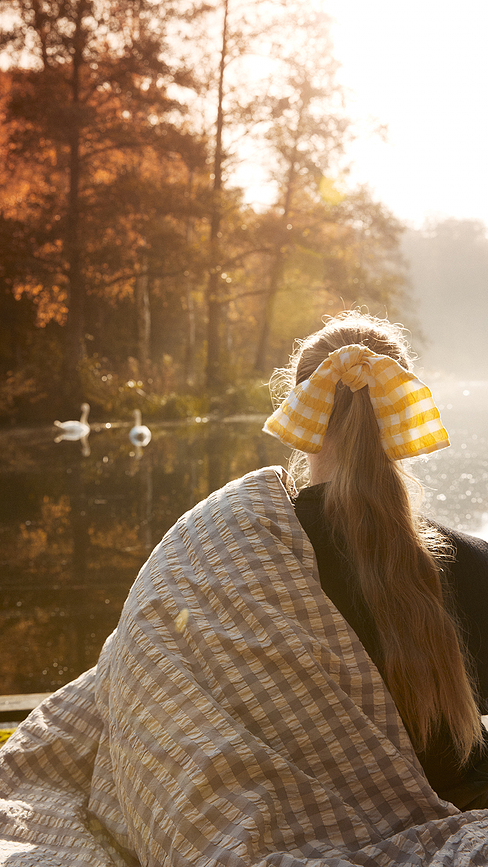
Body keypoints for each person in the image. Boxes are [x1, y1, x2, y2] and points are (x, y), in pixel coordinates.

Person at [1, 310, 488, 867]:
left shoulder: (225, 554)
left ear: (302, 413)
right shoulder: (472, 566)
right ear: (401, 411)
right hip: (454, 800)